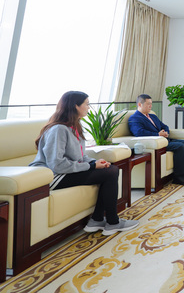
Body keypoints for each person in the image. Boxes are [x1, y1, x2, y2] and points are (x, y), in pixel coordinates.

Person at [30, 91, 139, 236]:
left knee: (110, 170)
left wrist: (95, 162)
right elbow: (56, 165)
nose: (89, 107)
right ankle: (112, 222)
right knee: (111, 172)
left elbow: (80, 157)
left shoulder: (74, 127)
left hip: (65, 172)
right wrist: (92, 166)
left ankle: (97, 220)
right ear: (76, 106)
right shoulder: (58, 129)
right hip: (52, 176)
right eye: (87, 104)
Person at [129, 94, 184, 186]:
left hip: (165, 139)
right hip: (157, 143)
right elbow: (139, 132)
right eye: (148, 104)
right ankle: (178, 177)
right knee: (179, 146)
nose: (151, 106)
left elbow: (164, 126)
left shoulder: (152, 116)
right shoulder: (134, 118)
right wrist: (158, 134)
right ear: (140, 104)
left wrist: (165, 132)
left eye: (151, 103)